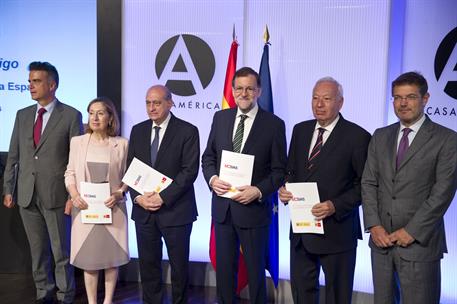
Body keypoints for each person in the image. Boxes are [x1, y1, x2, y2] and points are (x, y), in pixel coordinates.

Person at [362, 71, 457, 304]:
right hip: (381, 244)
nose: (403, 103)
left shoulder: (447, 139)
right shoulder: (380, 136)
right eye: (397, 97)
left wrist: (411, 231)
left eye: (411, 97)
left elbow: (442, 193)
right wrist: (374, 225)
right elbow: (369, 182)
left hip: (419, 245)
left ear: (425, 99)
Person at [278, 77, 371, 304]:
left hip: (337, 231)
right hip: (302, 231)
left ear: (340, 102)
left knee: (337, 297)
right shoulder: (300, 130)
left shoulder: (358, 137)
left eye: (326, 99)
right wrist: (285, 189)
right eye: (315, 98)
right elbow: (291, 171)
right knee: (302, 294)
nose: (319, 104)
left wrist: (334, 206)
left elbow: (365, 186)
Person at [202, 67, 287, 303]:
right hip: (223, 210)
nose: (244, 93)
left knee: (256, 274)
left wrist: (258, 190)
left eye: (250, 88)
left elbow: (279, 170)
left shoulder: (274, 124)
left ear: (259, 91)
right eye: (239, 88)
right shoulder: (221, 118)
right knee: (225, 275)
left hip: (253, 211)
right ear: (232, 90)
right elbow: (208, 157)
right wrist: (212, 179)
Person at [3, 61, 83, 303]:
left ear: (52, 85)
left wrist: (72, 195)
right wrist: (8, 188)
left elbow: (76, 160)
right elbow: (14, 155)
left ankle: (65, 294)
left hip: (57, 194)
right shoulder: (22, 115)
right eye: (29, 81)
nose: (30, 86)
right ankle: (43, 292)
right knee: (38, 251)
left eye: (36, 81)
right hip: (27, 193)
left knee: (61, 251)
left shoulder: (71, 115)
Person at [127, 85, 199, 304]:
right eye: (148, 103)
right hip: (144, 211)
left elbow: (189, 172)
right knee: (148, 266)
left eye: (157, 102)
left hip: (176, 211)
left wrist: (162, 197)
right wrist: (138, 198)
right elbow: (130, 168)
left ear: (170, 102)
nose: (152, 107)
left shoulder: (188, 130)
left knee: (179, 268)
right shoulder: (138, 130)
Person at [64, 97, 129, 304]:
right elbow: (70, 173)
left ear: (110, 117)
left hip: (113, 209)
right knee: (89, 260)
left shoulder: (122, 144)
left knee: (111, 259)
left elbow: (129, 176)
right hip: (85, 209)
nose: (95, 117)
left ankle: (108, 301)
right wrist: (74, 196)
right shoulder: (78, 142)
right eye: (91, 112)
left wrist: (120, 193)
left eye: (100, 113)